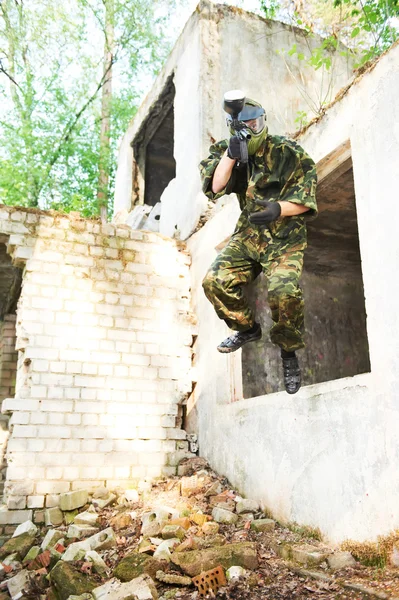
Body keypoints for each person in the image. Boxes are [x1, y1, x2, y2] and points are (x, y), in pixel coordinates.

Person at [199, 91, 318, 394]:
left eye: (256, 122)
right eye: (245, 125)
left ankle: (288, 351)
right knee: (214, 282)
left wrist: (279, 209)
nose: (253, 129)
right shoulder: (224, 150)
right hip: (250, 234)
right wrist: (231, 154)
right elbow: (214, 186)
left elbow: (307, 200)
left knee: (283, 293)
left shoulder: (288, 151)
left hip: (286, 236)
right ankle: (246, 328)